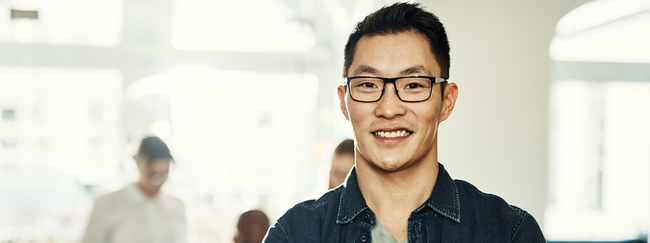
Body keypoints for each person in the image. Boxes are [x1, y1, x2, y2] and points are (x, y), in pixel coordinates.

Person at [264, 3, 545, 242]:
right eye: (368, 85)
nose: (389, 109)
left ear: (447, 100)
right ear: (344, 101)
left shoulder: (509, 232)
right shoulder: (295, 234)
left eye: (413, 85)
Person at [83, 136, 187, 243]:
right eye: (152, 176)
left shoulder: (177, 206)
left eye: (164, 175)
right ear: (138, 164)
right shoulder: (107, 204)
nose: (159, 182)